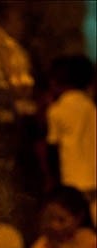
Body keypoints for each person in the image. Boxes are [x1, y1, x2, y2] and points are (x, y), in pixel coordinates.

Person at [44, 55, 96, 225]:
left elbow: (52, 149)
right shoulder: (91, 107)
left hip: (70, 182)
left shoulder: (57, 111)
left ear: (58, 81)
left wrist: (51, 180)